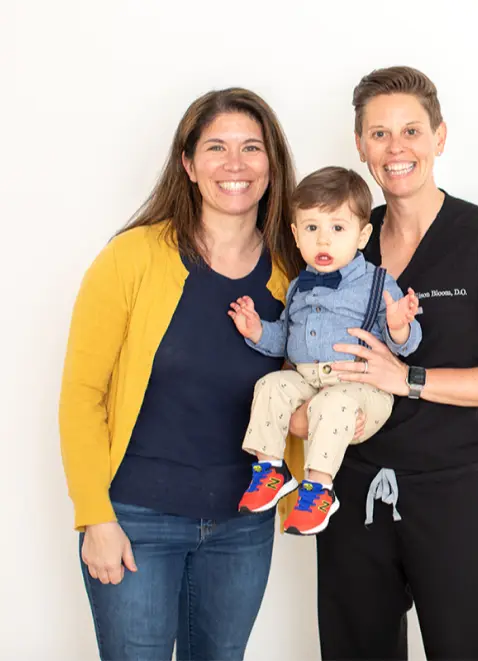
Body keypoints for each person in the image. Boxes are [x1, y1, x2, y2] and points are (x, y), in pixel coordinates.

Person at [309, 66, 478, 660]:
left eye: (412, 131)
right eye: (380, 134)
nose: (397, 149)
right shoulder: (344, 243)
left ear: (440, 137)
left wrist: (408, 378)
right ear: (361, 145)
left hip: (452, 496)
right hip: (352, 491)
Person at [58, 88, 305, 660]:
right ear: (189, 165)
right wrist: (95, 517)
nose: (235, 164)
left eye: (251, 148)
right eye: (216, 148)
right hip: (136, 520)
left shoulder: (297, 276)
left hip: (243, 526)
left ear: (272, 165)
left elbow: (307, 389)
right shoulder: (132, 258)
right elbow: (81, 397)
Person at [228, 166, 422, 536]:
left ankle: (318, 489)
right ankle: (270, 469)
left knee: (333, 405)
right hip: (310, 381)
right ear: (295, 234)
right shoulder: (299, 286)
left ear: (362, 235)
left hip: (362, 389)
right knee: (270, 384)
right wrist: (256, 331)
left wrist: (399, 323)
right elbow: (286, 338)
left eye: (337, 228)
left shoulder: (378, 283)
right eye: (312, 228)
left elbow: (407, 346)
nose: (323, 241)